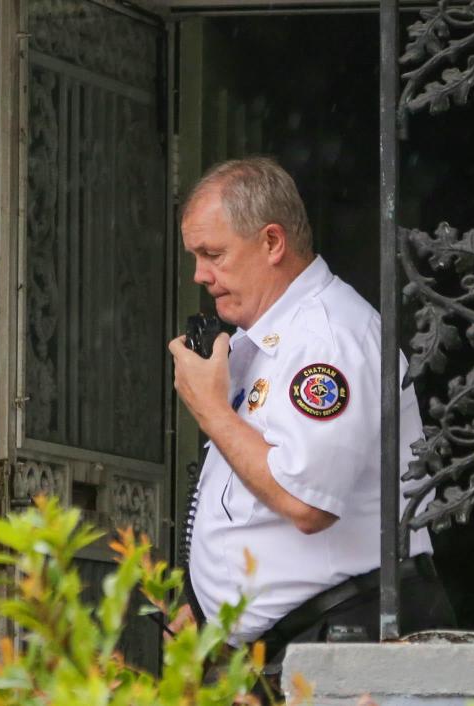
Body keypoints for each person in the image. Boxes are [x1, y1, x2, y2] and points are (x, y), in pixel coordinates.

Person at [167, 158, 454, 681]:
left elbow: (306, 502)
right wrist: (208, 605)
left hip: (349, 647)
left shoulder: (327, 339)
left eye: (212, 255)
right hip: (295, 650)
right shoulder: (275, 341)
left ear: (272, 243)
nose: (199, 275)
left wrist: (211, 411)